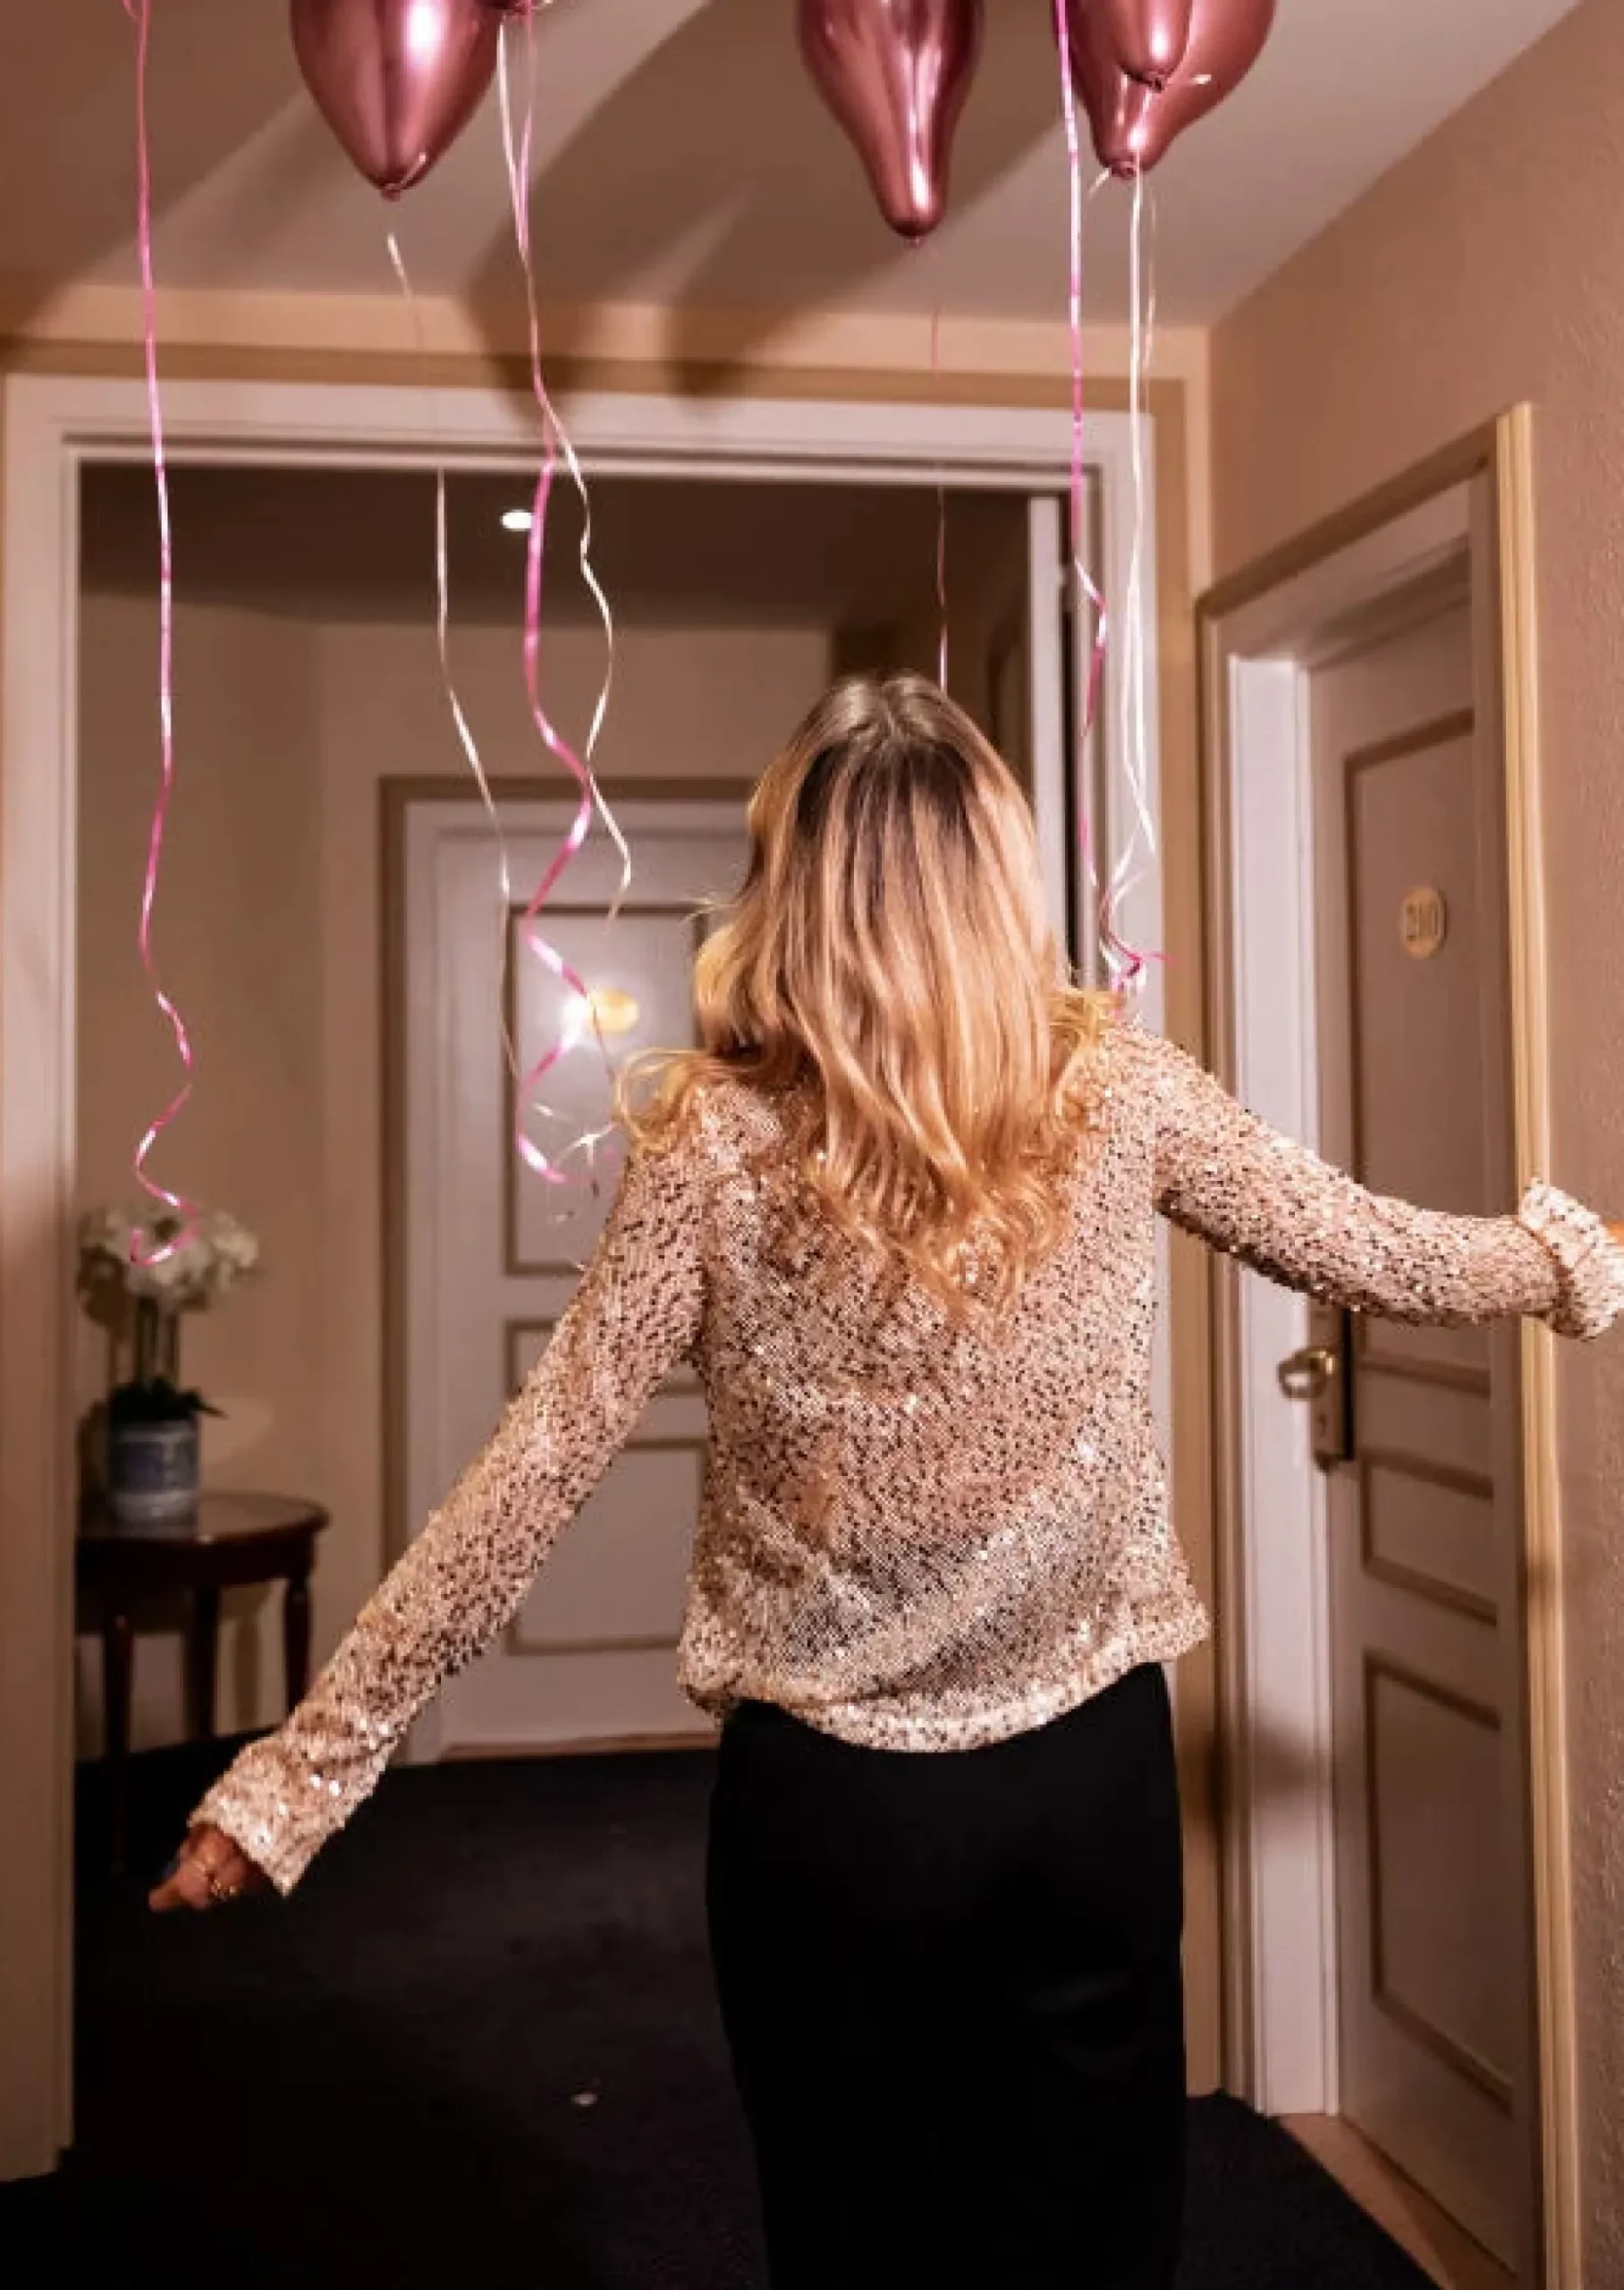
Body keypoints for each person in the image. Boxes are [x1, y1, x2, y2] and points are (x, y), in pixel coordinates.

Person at [154, 674, 1624, 2290]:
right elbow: (1385, 1253)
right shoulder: (1116, 1093)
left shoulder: (716, 1144)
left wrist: (299, 1777)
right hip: (1084, 1786)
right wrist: (1573, 1259)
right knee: (1089, 2247)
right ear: (1000, 878)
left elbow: (541, 1461)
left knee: (859, 2246)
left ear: (793, 887)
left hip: (833, 1820)